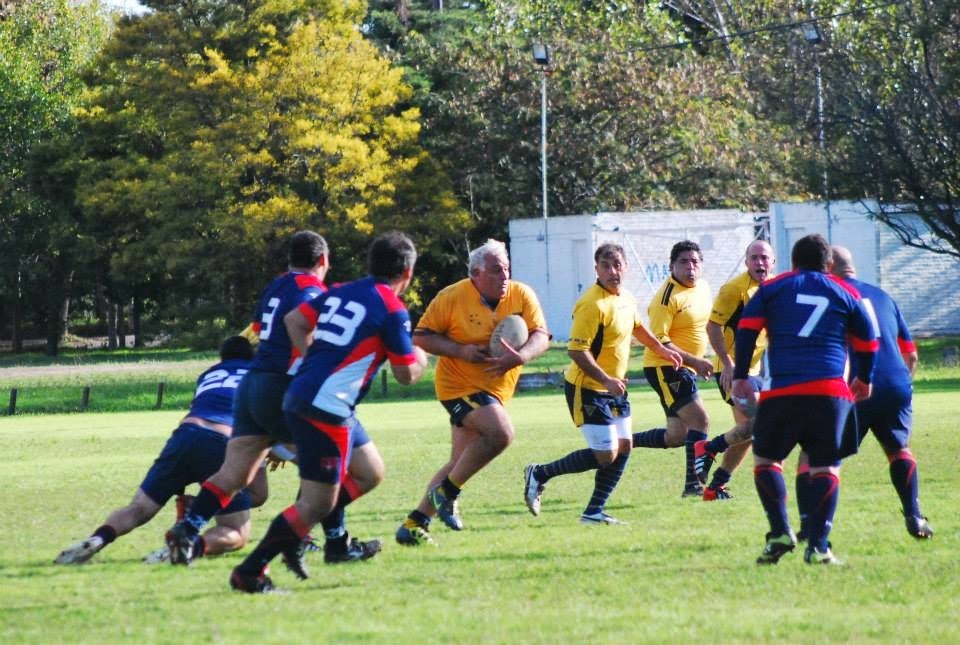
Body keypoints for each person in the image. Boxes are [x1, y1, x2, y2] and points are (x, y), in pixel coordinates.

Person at [229, 231, 428, 593]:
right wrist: (421, 359)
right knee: (317, 503)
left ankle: (315, 536)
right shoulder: (393, 310)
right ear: (408, 273)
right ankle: (251, 571)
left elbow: (295, 322)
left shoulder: (340, 290)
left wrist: (314, 361)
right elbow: (405, 375)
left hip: (315, 397)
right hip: (324, 406)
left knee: (370, 472)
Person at [166, 230, 330, 565]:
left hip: (255, 386)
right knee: (328, 460)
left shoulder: (276, 285)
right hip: (283, 388)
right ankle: (309, 539)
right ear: (323, 261)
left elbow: (259, 329)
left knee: (241, 479)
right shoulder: (310, 290)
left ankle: (190, 523)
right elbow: (297, 327)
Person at [55, 336, 266, 565]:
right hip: (224, 441)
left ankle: (97, 539)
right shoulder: (258, 375)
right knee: (236, 531)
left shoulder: (208, 374)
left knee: (139, 508)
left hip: (186, 434)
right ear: (251, 357)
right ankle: (184, 548)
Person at [732, 233, 877, 566]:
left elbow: (747, 329)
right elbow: (869, 341)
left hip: (782, 390)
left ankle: (781, 531)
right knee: (825, 466)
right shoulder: (845, 291)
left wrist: (741, 374)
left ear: (793, 262)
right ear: (829, 265)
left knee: (767, 462)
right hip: (829, 392)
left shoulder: (772, 288)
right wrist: (864, 379)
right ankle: (820, 546)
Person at [396, 239, 549, 546]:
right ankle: (447, 493)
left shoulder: (521, 294)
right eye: (496, 271)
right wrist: (460, 351)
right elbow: (422, 336)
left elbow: (540, 335)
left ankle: (414, 524)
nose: (504, 276)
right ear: (476, 274)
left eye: (506, 269)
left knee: (458, 464)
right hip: (458, 387)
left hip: (495, 391)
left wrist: (522, 356)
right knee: (501, 433)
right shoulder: (452, 296)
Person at [522, 244, 681, 524]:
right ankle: (540, 473)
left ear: (626, 267)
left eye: (617, 265)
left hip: (615, 388)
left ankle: (593, 512)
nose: (612, 271)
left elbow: (638, 328)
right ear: (596, 269)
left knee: (625, 446)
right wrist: (606, 379)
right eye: (606, 266)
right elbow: (576, 351)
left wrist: (663, 350)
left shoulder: (626, 299)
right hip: (587, 389)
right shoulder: (591, 304)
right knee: (606, 454)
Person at [806, 245, 931, 539]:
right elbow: (911, 355)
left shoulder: (829, 293)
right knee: (898, 449)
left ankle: (813, 527)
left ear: (829, 265)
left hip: (855, 386)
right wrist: (900, 386)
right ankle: (914, 515)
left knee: (822, 456)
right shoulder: (883, 295)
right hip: (896, 383)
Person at [630, 240, 714, 497]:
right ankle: (693, 486)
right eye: (684, 262)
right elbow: (659, 342)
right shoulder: (666, 298)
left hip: (685, 368)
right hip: (666, 366)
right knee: (701, 420)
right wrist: (695, 361)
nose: (690, 267)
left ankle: (622, 441)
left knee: (676, 436)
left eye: (695, 262)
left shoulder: (703, 288)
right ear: (671, 266)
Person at [694, 240, 776, 501]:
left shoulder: (773, 288)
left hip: (756, 372)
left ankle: (715, 486)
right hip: (732, 371)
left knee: (749, 431)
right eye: (754, 258)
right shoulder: (734, 289)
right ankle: (708, 448)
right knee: (759, 424)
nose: (760, 263)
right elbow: (713, 326)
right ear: (746, 262)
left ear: (772, 262)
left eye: (764, 258)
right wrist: (727, 363)